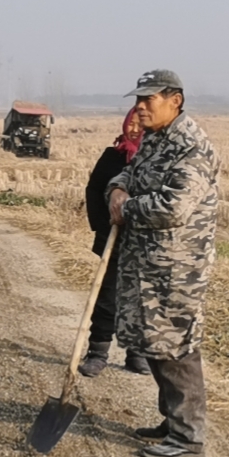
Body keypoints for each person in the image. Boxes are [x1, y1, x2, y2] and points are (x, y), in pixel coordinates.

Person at [107, 70, 220, 457]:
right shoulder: (156, 138)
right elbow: (133, 173)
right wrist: (117, 188)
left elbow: (175, 207)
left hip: (177, 269)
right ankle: (173, 422)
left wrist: (127, 207)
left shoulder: (192, 148)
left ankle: (188, 437)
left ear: (175, 100)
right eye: (138, 99)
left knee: (176, 347)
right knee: (155, 344)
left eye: (149, 99)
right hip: (147, 263)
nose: (140, 107)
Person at [79, 106, 150, 377]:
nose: (133, 129)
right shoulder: (112, 157)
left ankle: (136, 354)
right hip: (114, 238)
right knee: (107, 296)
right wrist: (103, 222)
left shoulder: (153, 159)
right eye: (130, 123)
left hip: (143, 242)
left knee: (141, 299)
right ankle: (97, 353)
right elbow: (94, 189)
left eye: (139, 124)